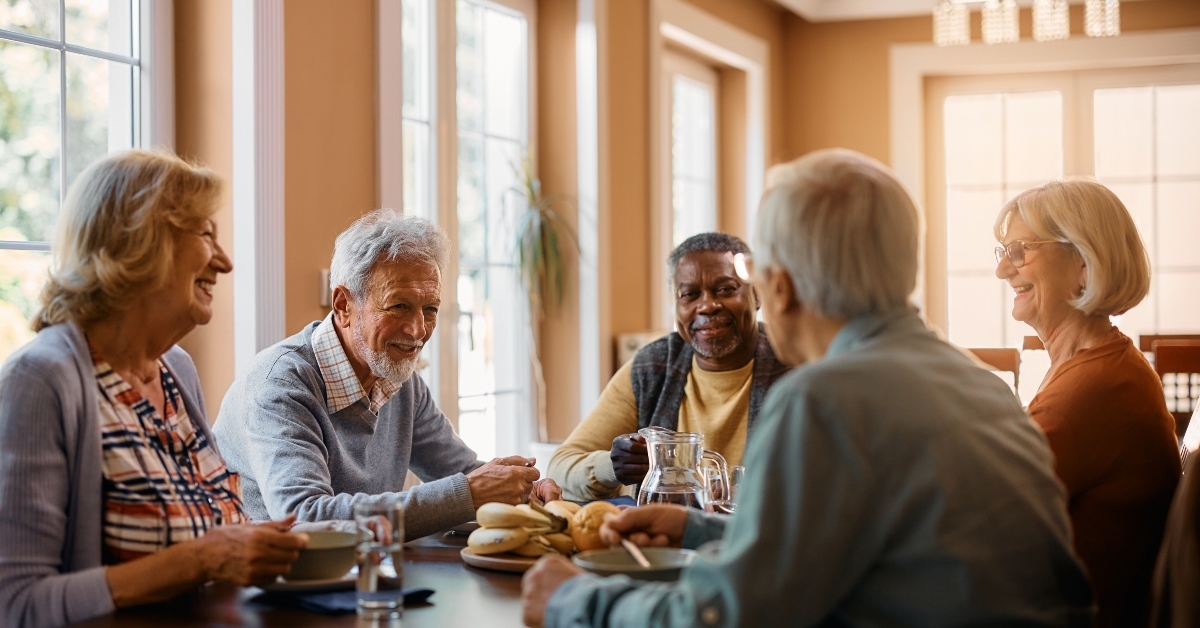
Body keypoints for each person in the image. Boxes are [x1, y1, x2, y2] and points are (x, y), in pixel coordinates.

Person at [521, 149, 1094, 627]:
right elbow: (865, 549)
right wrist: (697, 526)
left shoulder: (823, 401)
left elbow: (730, 615)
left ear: (781, 287)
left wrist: (575, 599)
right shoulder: (982, 384)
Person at [0, 150, 309, 628]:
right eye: (207, 235)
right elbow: (17, 604)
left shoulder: (176, 370)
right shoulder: (40, 380)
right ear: (140, 241)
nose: (224, 263)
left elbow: (203, 535)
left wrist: (251, 546)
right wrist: (202, 560)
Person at [212, 209, 559, 540]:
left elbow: (462, 473)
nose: (418, 330)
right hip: (265, 590)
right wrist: (468, 492)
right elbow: (306, 517)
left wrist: (522, 487)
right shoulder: (281, 385)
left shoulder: (398, 378)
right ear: (344, 306)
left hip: (360, 577)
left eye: (430, 309)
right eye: (399, 306)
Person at [993, 179, 1180, 628]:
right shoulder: (1101, 364)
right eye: (1002, 252)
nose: (1003, 271)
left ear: (1082, 262)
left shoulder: (1095, 386)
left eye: (1021, 250)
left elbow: (980, 518)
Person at [548, 233, 790, 501]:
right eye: (690, 294)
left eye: (725, 289)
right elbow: (560, 468)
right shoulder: (652, 368)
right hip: (662, 538)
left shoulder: (795, 363)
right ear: (676, 307)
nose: (707, 306)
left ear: (756, 295)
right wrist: (612, 467)